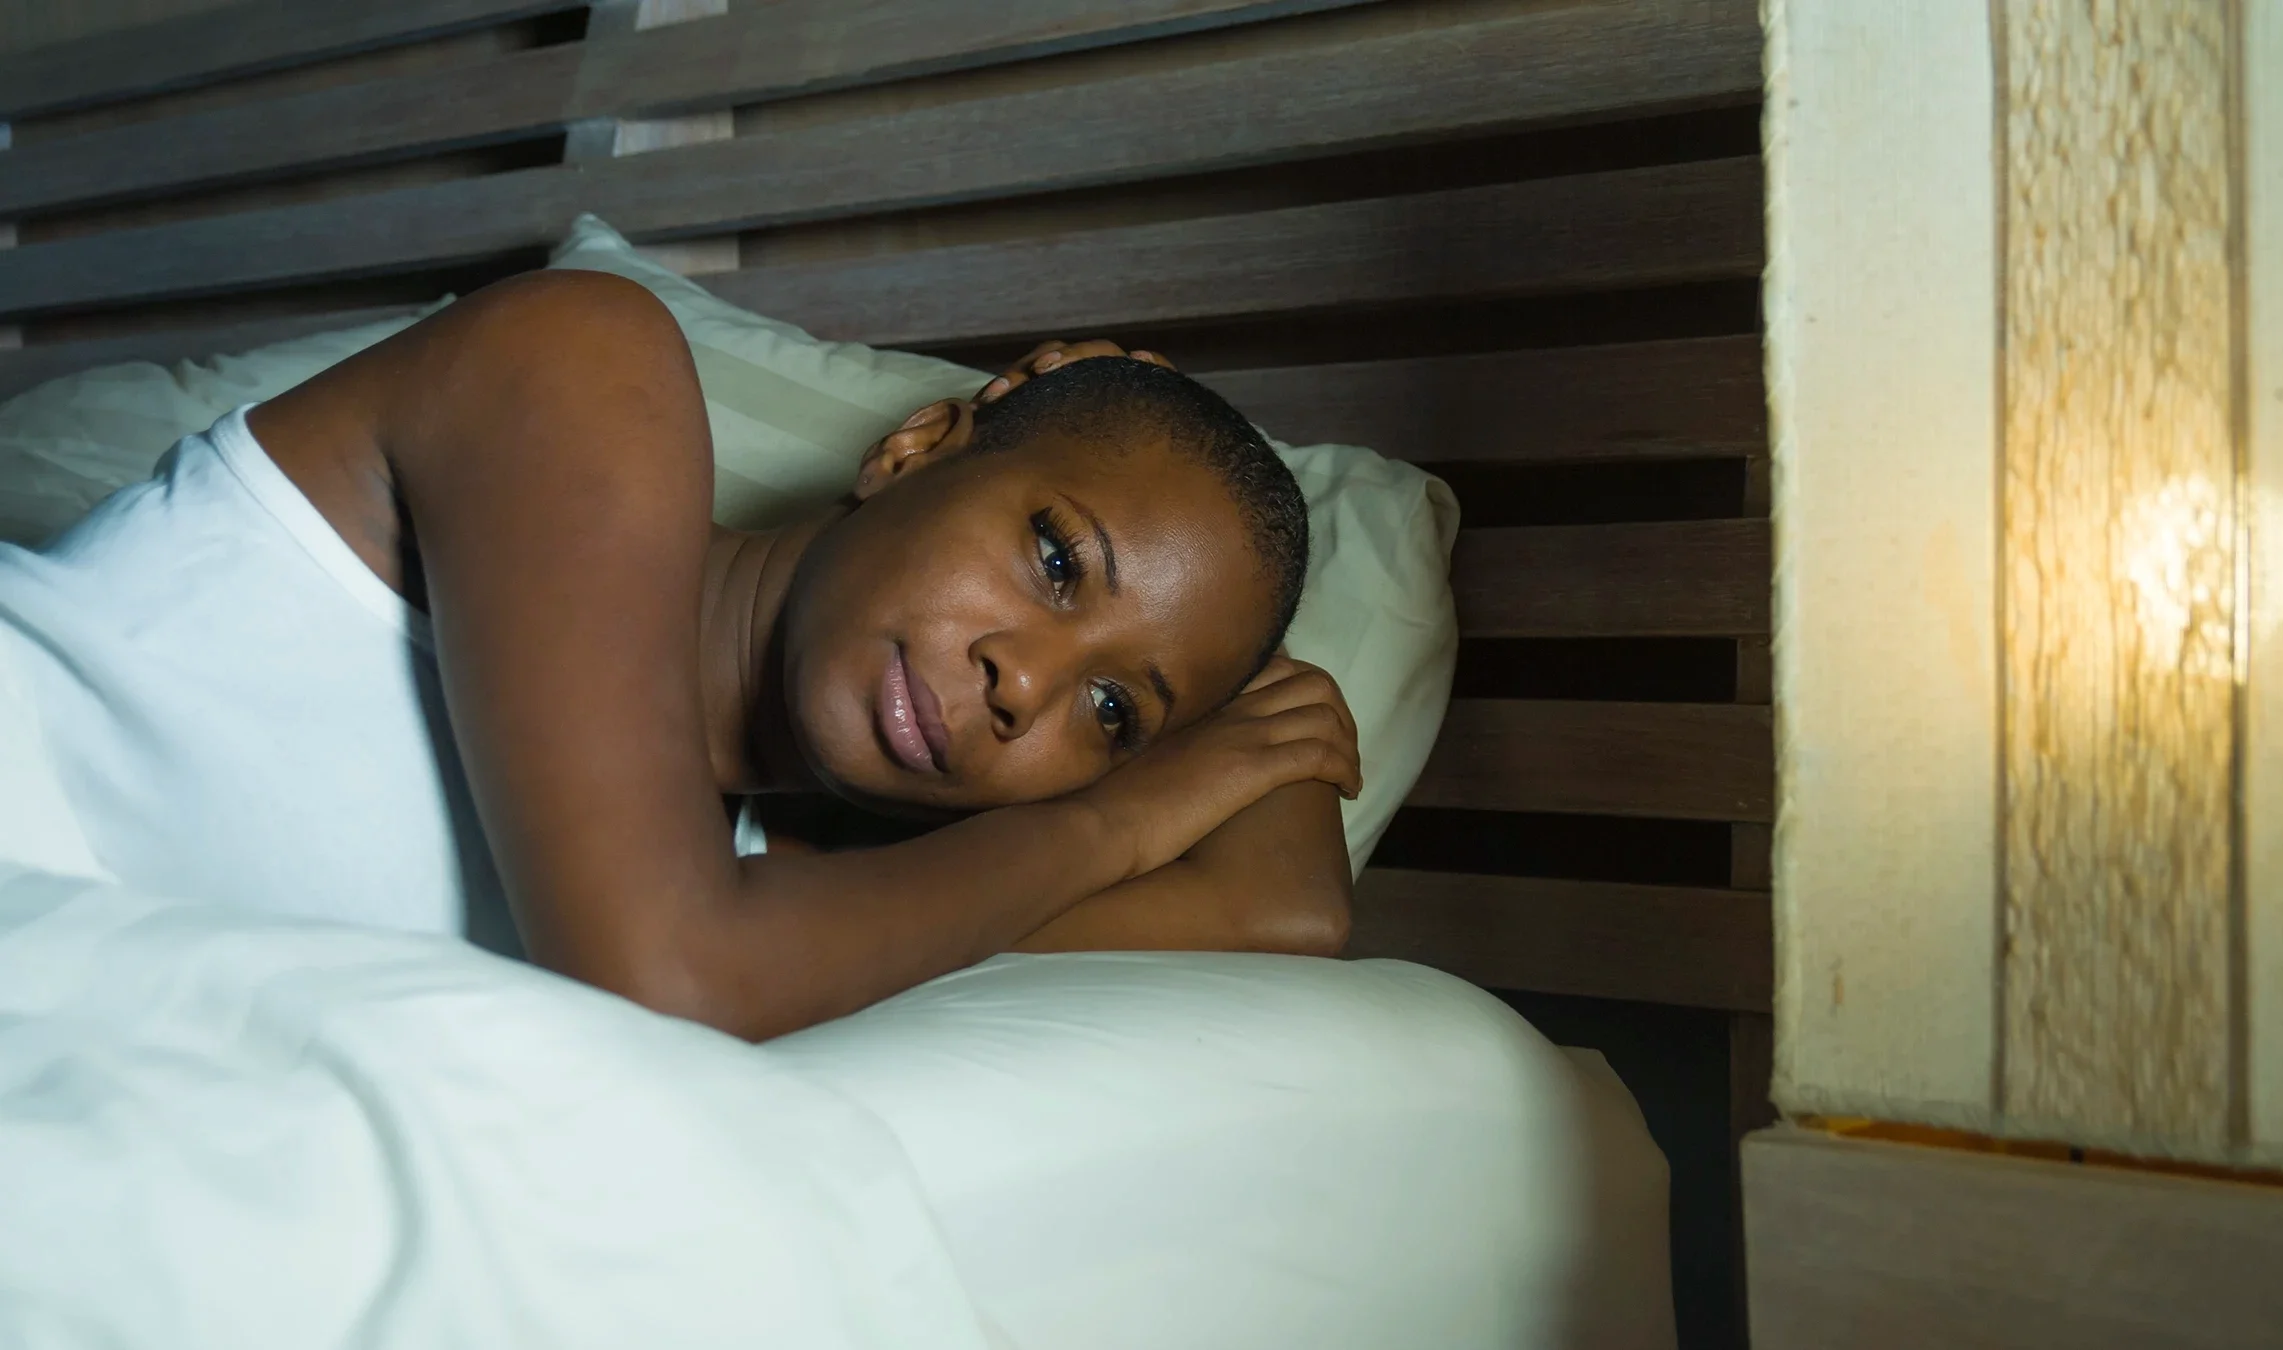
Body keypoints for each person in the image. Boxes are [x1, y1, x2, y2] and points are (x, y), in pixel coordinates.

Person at [0, 270, 1362, 1041]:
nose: (1026, 688)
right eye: (1057, 558)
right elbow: (674, 979)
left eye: (1112, 708)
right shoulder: (589, 370)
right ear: (918, 445)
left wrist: (1213, 696)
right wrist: (1121, 807)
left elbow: (1283, 915)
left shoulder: (793, 901)